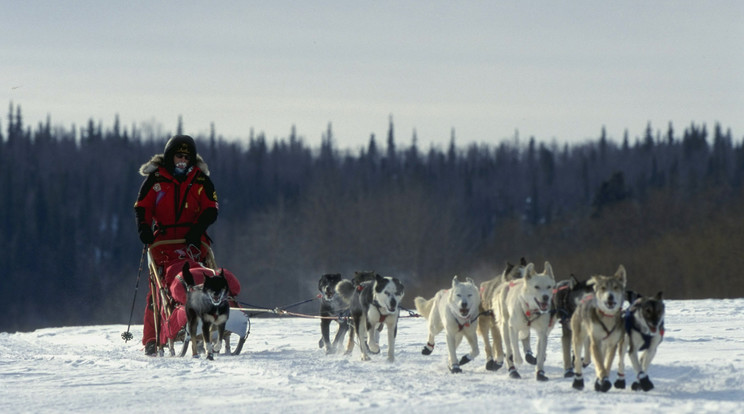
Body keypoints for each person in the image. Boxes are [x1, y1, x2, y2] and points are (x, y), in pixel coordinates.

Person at [134, 134, 219, 356]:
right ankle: (153, 338)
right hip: (163, 242)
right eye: (179, 156)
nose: (183, 160)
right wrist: (144, 228)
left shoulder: (200, 181)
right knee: (157, 290)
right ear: (171, 157)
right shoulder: (155, 180)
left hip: (194, 239)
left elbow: (211, 209)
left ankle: (218, 315)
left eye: (187, 156)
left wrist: (197, 229)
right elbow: (142, 207)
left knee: (205, 275)